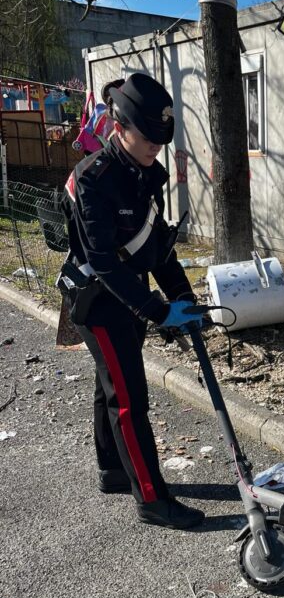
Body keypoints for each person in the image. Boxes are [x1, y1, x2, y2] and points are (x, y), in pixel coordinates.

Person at [59, 73, 205, 530]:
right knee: (129, 399)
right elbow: (103, 260)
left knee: (110, 386)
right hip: (99, 303)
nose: (155, 148)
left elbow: (156, 246)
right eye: (148, 138)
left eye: (161, 141)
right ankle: (152, 499)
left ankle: (113, 471)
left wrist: (183, 296)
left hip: (129, 297)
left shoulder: (145, 174)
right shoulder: (92, 179)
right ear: (119, 127)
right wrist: (158, 311)